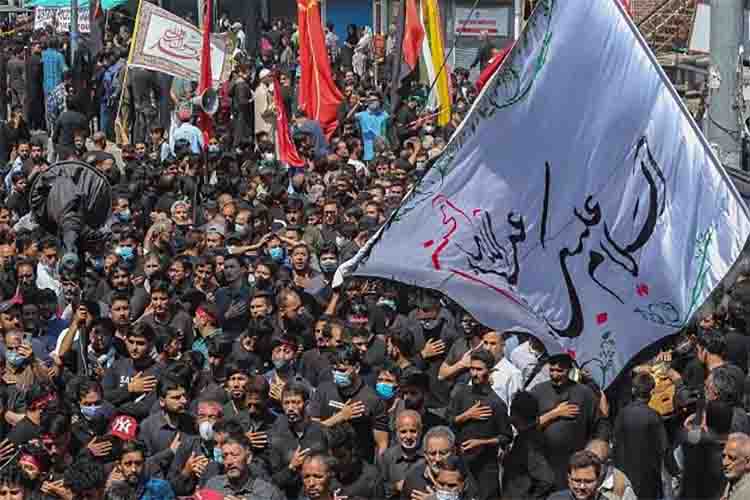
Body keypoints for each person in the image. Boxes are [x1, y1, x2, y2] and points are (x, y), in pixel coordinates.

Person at [447, 349, 512, 500]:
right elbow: (449, 421)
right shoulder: (461, 393)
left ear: (490, 371)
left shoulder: (496, 403)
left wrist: (482, 442)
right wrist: (466, 416)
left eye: (479, 369)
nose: (474, 373)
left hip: (486, 469)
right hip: (461, 464)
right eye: (472, 368)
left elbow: (506, 436)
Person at [531, 353, 602, 488]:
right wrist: (554, 414)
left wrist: (594, 449)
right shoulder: (538, 392)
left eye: (559, 370)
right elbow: (526, 426)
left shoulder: (584, 394)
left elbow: (599, 425)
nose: (555, 374)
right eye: (551, 370)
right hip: (542, 460)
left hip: (573, 462)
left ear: (569, 370)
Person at [613, 372, 668, 499]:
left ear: (633, 390)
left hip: (624, 475)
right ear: (651, 393)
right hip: (648, 478)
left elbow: (615, 442)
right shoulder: (654, 416)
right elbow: (663, 448)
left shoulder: (622, 414)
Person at [204, 433, 285, 500]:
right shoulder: (213, 486)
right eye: (225, 456)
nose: (229, 462)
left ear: (248, 457)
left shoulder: (268, 493)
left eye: (234, 455)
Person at [722, 432, 750, 500]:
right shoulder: (733, 480)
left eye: (731, 458)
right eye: (723, 456)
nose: (724, 463)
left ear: (748, 462)